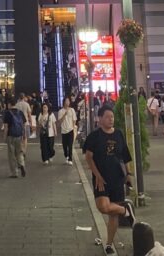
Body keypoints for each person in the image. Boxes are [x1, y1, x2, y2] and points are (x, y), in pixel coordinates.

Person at [84, 107, 135, 256]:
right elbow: (88, 157)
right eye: (107, 117)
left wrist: (129, 174)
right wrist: (97, 175)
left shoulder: (118, 134)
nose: (111, 119)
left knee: (112, 215)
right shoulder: (94, 136)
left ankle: (109, 244)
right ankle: (125, 211)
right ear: (99, 119)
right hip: (101, 179)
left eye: (112, 117)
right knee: (103, 207)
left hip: (117, 177)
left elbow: (125, 156)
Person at [2, 95, 27, 178]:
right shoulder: (20, 112)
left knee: (11, 154)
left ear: (9, 104)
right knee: (19, 152)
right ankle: (22, 164)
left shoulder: (7, 113)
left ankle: (14, 172)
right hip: (19, 135)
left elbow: (6, 127)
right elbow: (23, 125)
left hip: (11, 135)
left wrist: (5, 137)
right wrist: (24, 134)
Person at [57, 96, 76, 164]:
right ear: (64, 102)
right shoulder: (60, 111)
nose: (68, 102)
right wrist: (64, 114)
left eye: (68, 101)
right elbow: (59, 122)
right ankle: (66, 156)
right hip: (64, 131)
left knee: (70, 145)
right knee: (65, 146)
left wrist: (73, 127)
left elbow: (74, 120)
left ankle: (70, 159)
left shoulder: (72, 110)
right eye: (66, 101)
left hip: (70, 130)